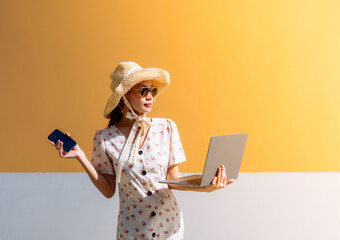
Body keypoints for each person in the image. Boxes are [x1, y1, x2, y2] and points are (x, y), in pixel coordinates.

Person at [50, 62, 234, 240]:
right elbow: (108, 190)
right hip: (132, 231)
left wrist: (205, 185)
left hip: (169, 228)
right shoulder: (105, 138)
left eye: (152, 90)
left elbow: (173, 179)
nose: (150, 96)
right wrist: (81, 157)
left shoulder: (167, 128)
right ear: (124, 97)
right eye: (143, 91)